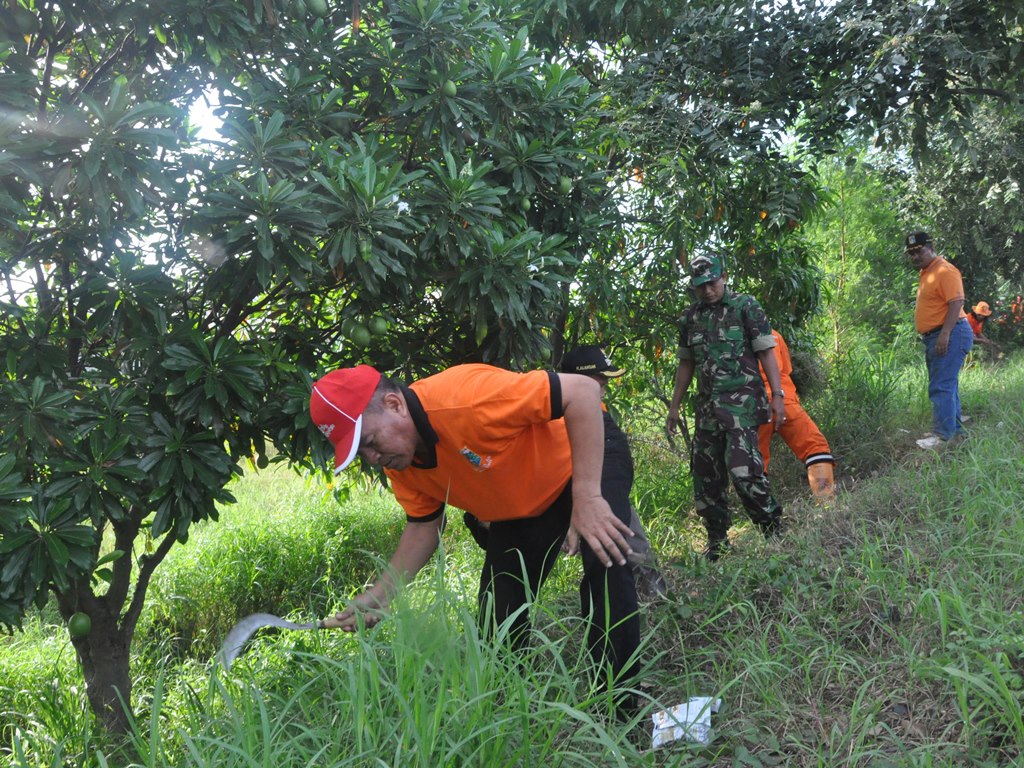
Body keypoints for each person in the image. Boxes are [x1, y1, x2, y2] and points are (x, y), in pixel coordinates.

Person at [309, 363, 640, 696]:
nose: (372, 458)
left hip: (582, 445)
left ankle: (617, 705)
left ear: (395, 405)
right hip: (524, 495)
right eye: (360, 453)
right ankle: (506, 711)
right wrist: (379, 597)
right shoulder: (402, 461)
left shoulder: (465, 400)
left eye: (369, 442)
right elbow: (425, 526)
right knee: (500, 604)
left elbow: (582, 391)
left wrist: (587, 496)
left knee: (606, 556)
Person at [665, 253, 786, 561]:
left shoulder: (746, 307)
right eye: (701, 286)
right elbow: (686, 364)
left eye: (713, 283)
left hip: (742, 407)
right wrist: (674, 406)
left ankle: (774, 530)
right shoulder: (690, 317)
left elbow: (766, 354)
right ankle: (717, 542)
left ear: (724, 277)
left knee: (744, 471)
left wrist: (778, 395)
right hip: (707, 410)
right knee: (706, 477)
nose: (708, 290)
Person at [558, 344, 668, 600]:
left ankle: (656, 597)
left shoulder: (599, 411)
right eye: (600, 379)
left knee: (629, 536)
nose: (605, 386)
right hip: (571, 494)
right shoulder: (557, 414)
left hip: (599, 492)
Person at [904, 231, 973, 449]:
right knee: (947, 386)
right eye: (911, 253)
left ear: (931, 247)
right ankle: (954, 432)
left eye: (919, 251)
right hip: (937, 335)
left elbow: (956, 301)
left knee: (941, 386)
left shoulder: (945, 270)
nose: (915, 256)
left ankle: (942, 437)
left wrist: (945, 334)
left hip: (950, 333)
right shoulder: (927, 272)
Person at [756, 330, 836, 503]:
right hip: (785, 402)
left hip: (753, 407)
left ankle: (763, 516)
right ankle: (826, 504)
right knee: (815, 446)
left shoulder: (730, 337)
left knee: (755, 461)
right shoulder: (773, 334)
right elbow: (785, 369)